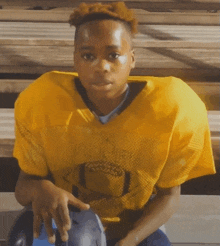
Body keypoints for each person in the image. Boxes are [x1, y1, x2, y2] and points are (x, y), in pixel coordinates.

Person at [12, 2, 216, 246]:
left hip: (137, 226)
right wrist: (42, 189)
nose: (101, 67)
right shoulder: (42, 100)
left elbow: (170, 196)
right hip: (67, 225)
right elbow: (23, 186)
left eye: (113, 55)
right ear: (75, 60)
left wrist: (131, 240)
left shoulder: (172, 107)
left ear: (132, 59)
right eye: (88, 56)